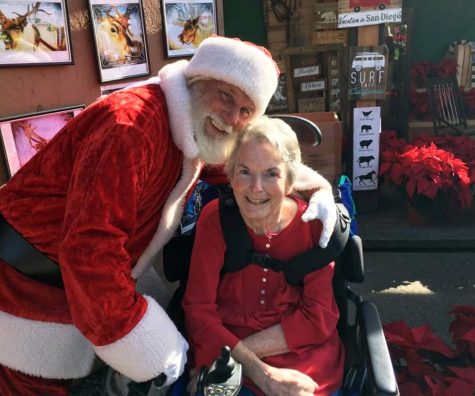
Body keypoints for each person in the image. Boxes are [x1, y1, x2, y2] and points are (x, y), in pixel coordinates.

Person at [0, 36, 336, 395]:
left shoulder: (186, 123)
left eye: (246, 111)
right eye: (226, 96)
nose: (232, 118)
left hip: (73, 285)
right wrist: (144, 345)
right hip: (23, 283)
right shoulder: (130, 127)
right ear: (197, 81)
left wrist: (312, 186)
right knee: (26, 383)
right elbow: (89, 250)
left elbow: (232, 167)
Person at [183, 117, 344, 396]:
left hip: (299, 353)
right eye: (244, 172)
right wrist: (261, 372)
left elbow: (318, 318)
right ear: (230, 176)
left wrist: (229, 356)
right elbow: (198, 311)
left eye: (271, 173)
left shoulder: (314, 224)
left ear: (290, 181)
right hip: (228, 348)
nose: (256, 188)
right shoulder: (215, 221)